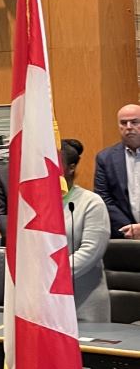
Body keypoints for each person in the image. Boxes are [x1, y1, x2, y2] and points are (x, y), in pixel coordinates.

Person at [60, 138, 111, 321]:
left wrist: (51, 272)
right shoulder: (36, 204)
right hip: (46, 298)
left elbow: (90, 252)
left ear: (71, 168)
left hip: (83, 299)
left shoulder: (91, 202)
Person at [94, 101, 140, 238]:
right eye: (123, 123)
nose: (129, 127)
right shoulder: (105, 158)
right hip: (125, 236)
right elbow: (104, 198)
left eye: (135, 122)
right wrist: (131, 229)